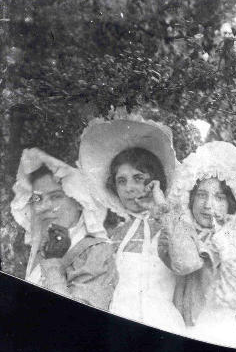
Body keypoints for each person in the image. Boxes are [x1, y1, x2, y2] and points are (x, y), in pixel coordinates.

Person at [78, 111, 185, 332]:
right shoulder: (114, 235)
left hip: (163, 325)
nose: (130, 188)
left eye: (138, 178)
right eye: (122, 181)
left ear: (155, 181)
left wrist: (163, 211)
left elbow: (186, 265)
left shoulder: (172, 225)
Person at [166, 141, 236, 347]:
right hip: (176, 327)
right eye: (201, 195)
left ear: (231, 203)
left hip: (218, 331)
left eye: (219, 197)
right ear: (190, 199)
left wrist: (223, 243)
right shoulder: (183, 233)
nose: (208, 205)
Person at [10, 148, 118, 310]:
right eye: (37, 198)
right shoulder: (43, 250)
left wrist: (53, 264)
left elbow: (76, 322)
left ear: (79, 202)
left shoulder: (96, 252)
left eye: (56, 196)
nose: (44, 207)